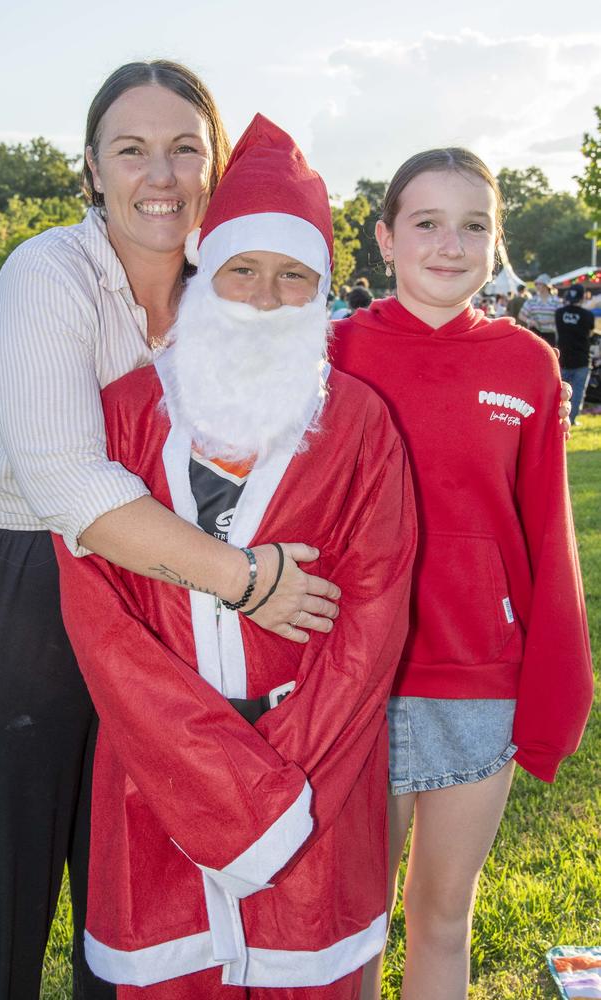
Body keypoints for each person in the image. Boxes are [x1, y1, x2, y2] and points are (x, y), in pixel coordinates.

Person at [0, 63, 339, 1000]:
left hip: (161, 601)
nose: (158, 175)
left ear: (213, 168)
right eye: (131, 151)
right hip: (18, 593)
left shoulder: (225, 285)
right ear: (91, 168)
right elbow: (67, 484)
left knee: (133, 895)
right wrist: (248, 580)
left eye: (183, 150)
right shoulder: (49, 272)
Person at [53, 115, 416, 998]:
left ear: (322, 287)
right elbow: (100, 615)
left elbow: (372, 619)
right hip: (155, 774)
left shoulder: (362, 425)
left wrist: (280, 781)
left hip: (317, 776)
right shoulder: (125, 413)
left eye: (294, 277)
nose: (262, 297)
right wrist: (212, 778)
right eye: (242, 271)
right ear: (205, 273)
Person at [331, 147, 593, 1000]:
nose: (451, 245)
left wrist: (559, 687)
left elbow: (547, 535)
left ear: (496, 243)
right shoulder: (331, 352)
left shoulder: (525, 364)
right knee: (350, 922)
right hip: (351, 681)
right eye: (427, 223)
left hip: (478, 685)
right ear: (385, 238)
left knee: (443, 915)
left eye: (474, 226)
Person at [555, 285, 595, 423]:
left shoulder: (559, 313)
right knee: (577, 392)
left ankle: (557, 417)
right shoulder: (587, 315)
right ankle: (571, 420)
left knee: (559, 392)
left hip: (563, 358)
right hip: (581, 358)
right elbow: (590, 333)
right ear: (583, 296)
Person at [518, 273, 560, 347]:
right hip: (535, 334)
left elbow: (560, 317)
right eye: (536, 284)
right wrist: (529, 321)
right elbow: (521, 315)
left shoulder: (556, 301)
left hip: (550, 334)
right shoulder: (532, 301)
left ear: (546, 285)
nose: (537, 286)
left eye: (539, 284)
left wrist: (549, 321)